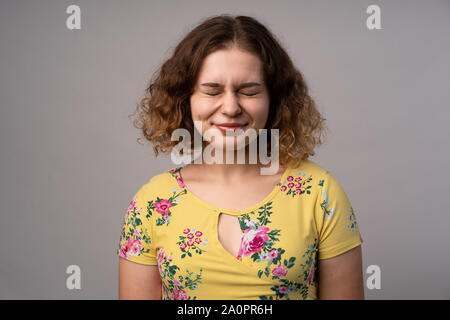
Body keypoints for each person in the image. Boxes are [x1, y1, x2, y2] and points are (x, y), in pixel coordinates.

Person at [117, 14, 364, 300]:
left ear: (274, 100)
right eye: (212, 91)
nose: (231, 107)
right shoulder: (151, 204)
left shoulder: (320, 193)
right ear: (186, 99)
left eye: (248, 91)